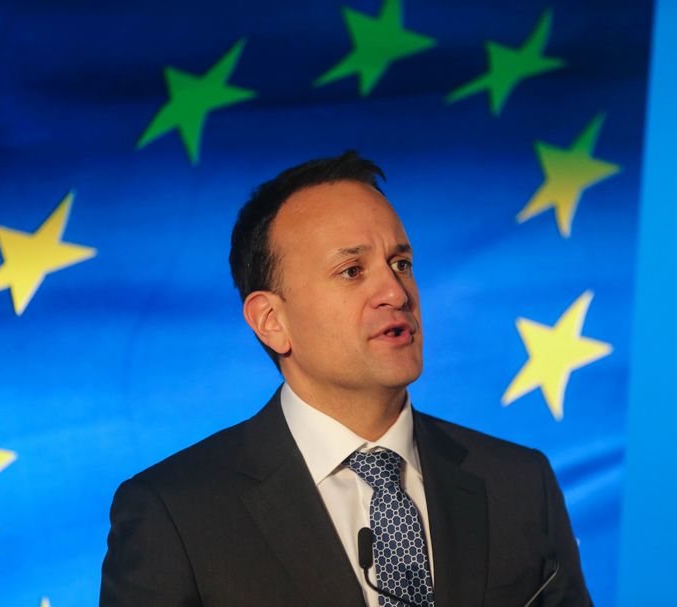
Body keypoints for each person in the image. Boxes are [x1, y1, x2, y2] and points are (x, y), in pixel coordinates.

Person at [99, 151, 592, 606]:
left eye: (401, 263)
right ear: (272, 320)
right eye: (352, 271)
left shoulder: (520, 484)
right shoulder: (175, 513)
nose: (395, 293)